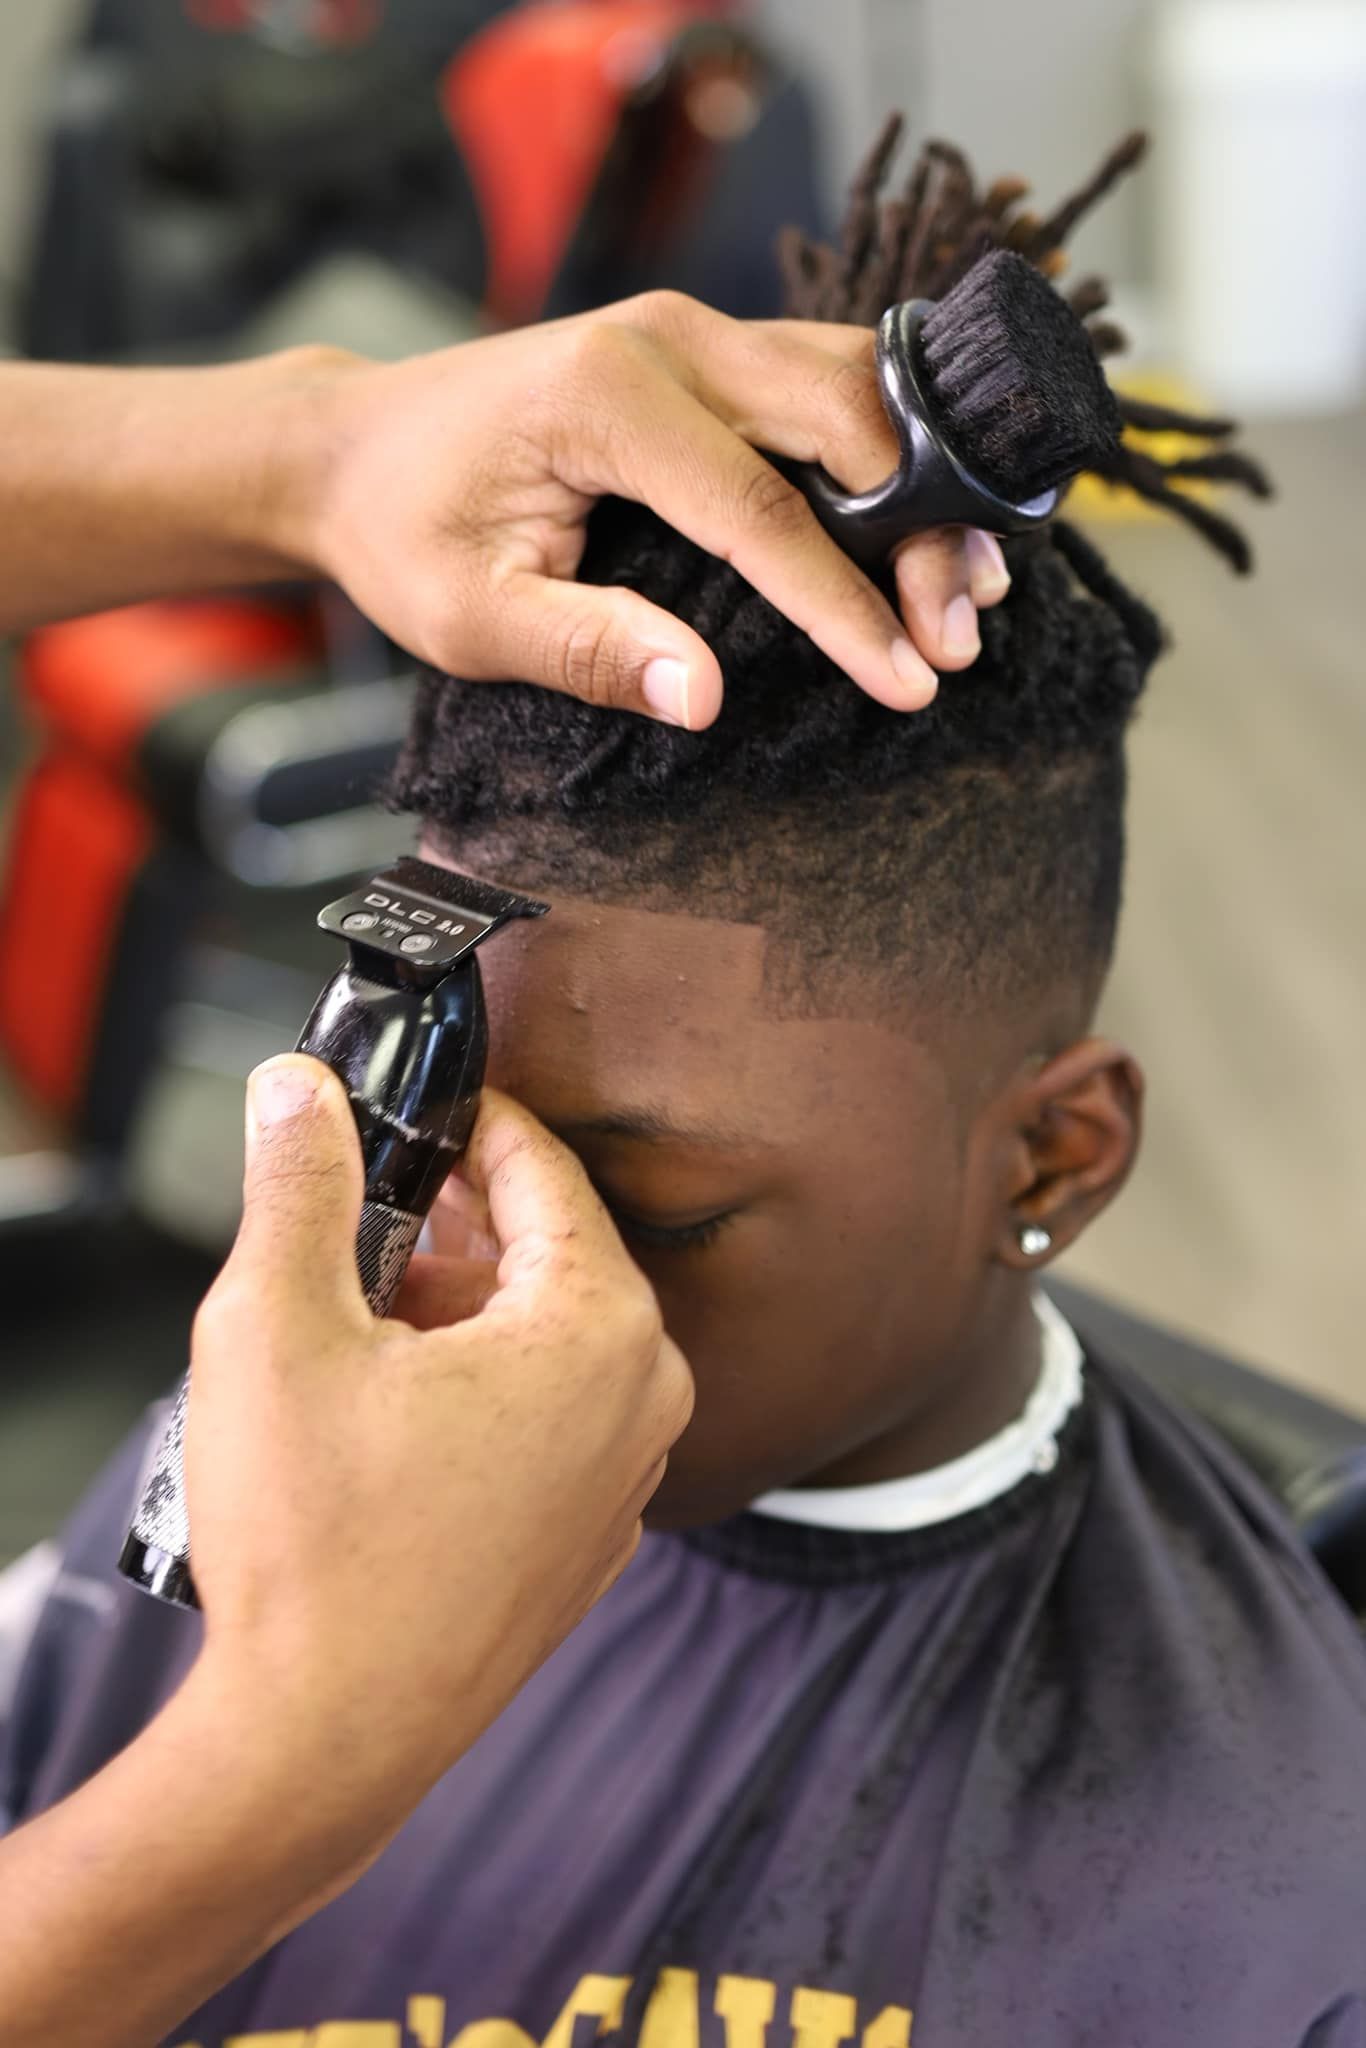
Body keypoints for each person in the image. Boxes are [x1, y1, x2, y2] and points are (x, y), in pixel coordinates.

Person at [7, 129, 1366, 2048]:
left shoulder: (1265, 1899)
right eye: (421, 1122)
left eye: (640, 1213)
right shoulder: (242, 1474)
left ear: (1052, 1156)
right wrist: (281, 1747)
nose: (424, 1288)